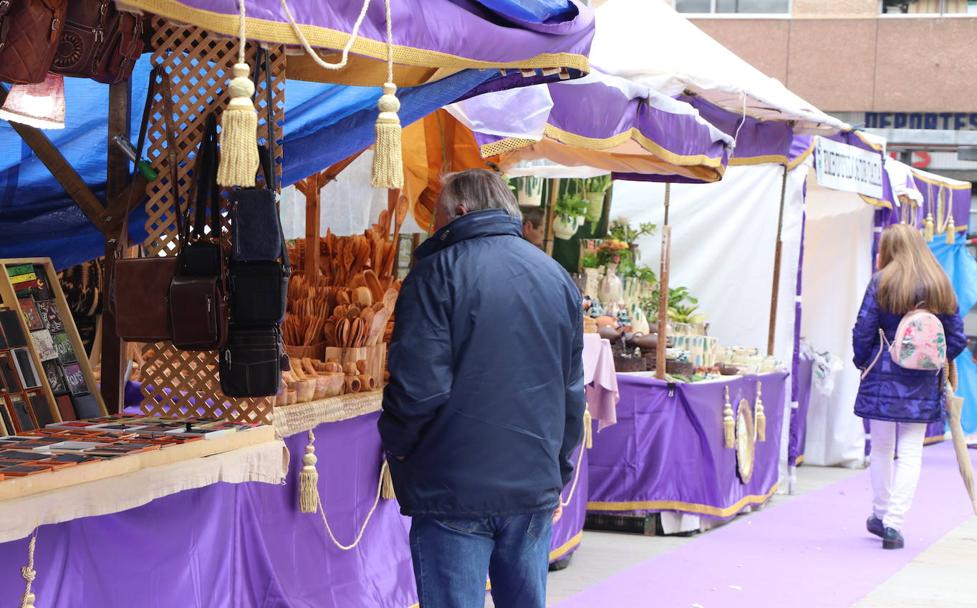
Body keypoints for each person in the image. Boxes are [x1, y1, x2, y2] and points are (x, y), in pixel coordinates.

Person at [379, 169, 585, 607]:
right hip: (531, 483)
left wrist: (396, 446)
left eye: (435, 215)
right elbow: (571, 393)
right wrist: (556, 473)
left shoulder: (434, 274)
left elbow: (420, 389)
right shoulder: (556, 276)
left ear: (459, 211)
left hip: (453, 487)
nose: (432, 225)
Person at [853, 223, 967, 550]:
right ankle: (894, 524)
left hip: (882, 377)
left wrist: (866, 363)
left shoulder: (882, 281)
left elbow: (863, 330)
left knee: (883, 447)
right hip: (922, 382)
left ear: (889, 249)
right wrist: (930, 360)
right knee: (912, 451)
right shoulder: (939, 283)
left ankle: (880, 513)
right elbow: (956, 337)